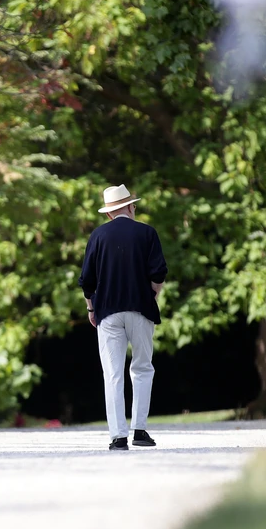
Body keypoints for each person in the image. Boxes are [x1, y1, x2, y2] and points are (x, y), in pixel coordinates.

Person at [79, 184, 168, 451]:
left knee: (113, 374)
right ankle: (139, 431)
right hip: (141, 308)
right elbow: (159, 273)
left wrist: (91, 309)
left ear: (109, 213)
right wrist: (152, 294)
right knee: (142, 368)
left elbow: (87, 281)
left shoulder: (97, 236)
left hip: (107, 312)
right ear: (129, 207)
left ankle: (118, 437)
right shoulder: (147, 233)